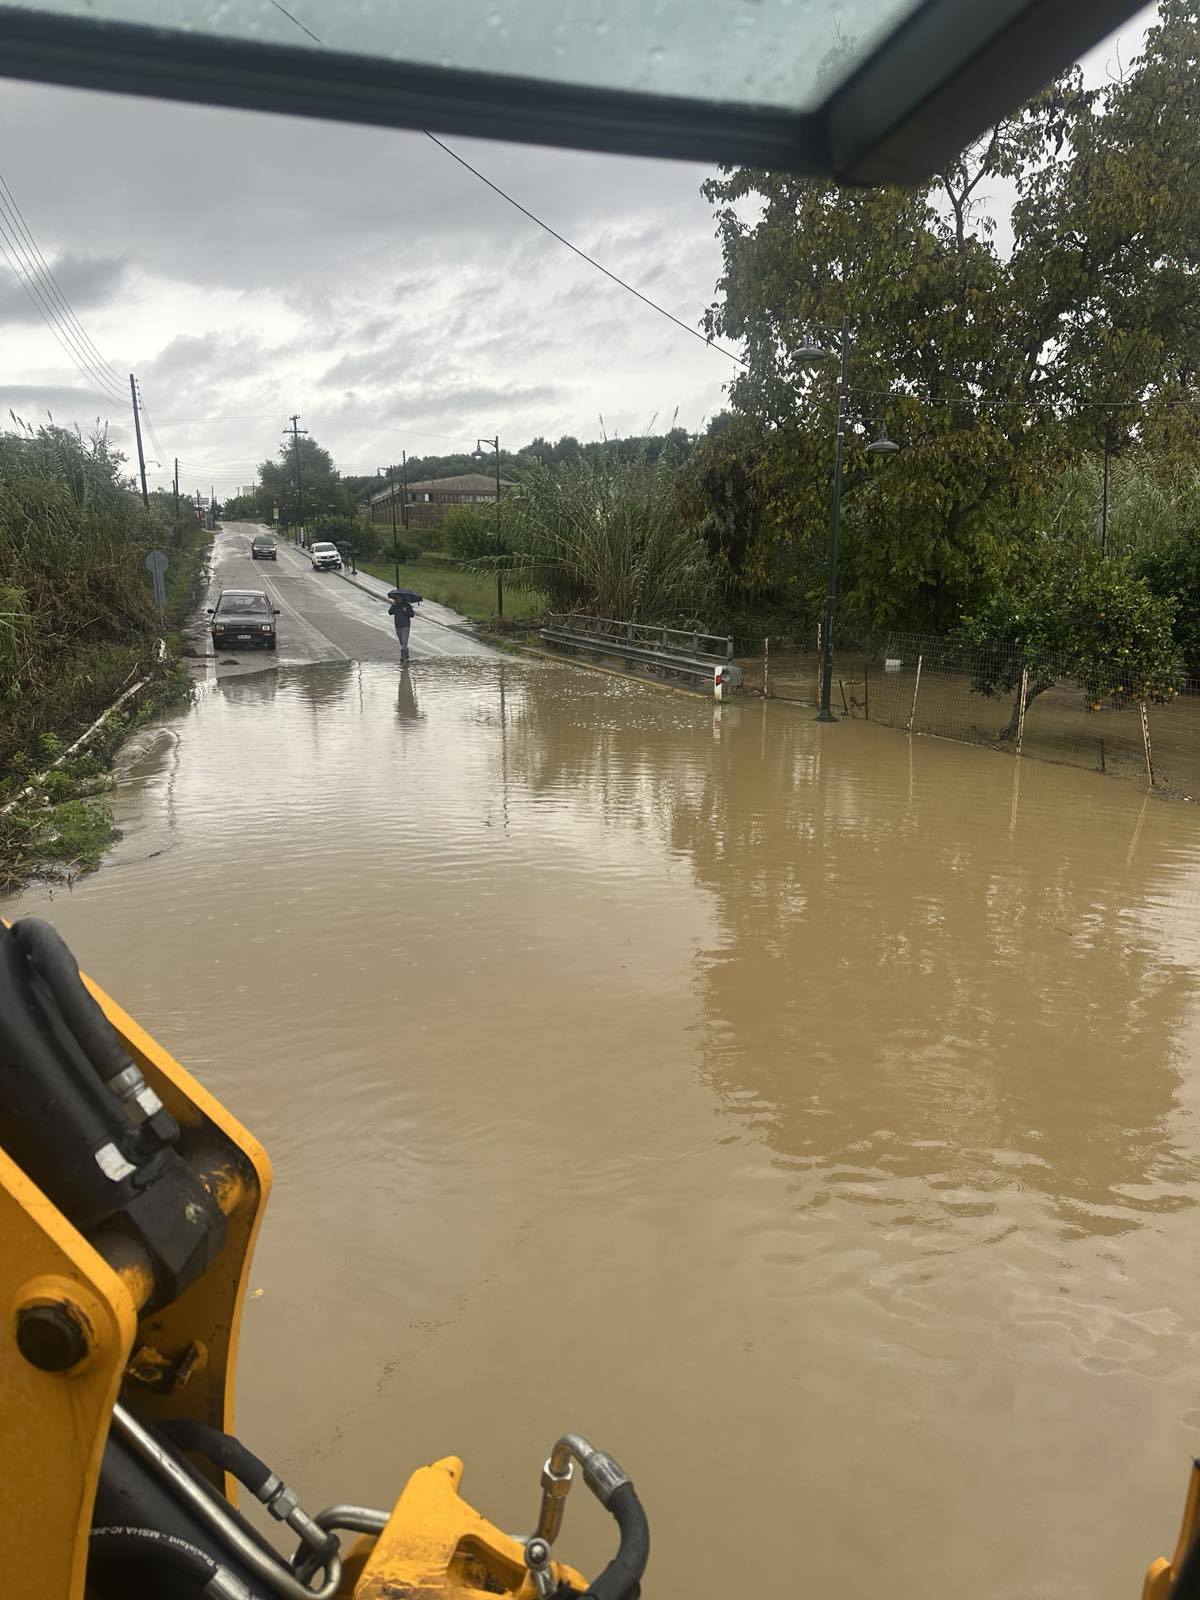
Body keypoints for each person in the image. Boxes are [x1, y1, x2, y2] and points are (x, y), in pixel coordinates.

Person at [387, 589, 417, 661]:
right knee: (401, 642)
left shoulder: (406, 605)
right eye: (396, 598)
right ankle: (406, 653)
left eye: (397, 598)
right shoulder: (395, 605)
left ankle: (403, 657)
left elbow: (412, 614)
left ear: (401, 598)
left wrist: (406, 610)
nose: (396, 599)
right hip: (398, 626)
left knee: (404, 642)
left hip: (405, 626)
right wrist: (393, 605)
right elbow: (390, 612)